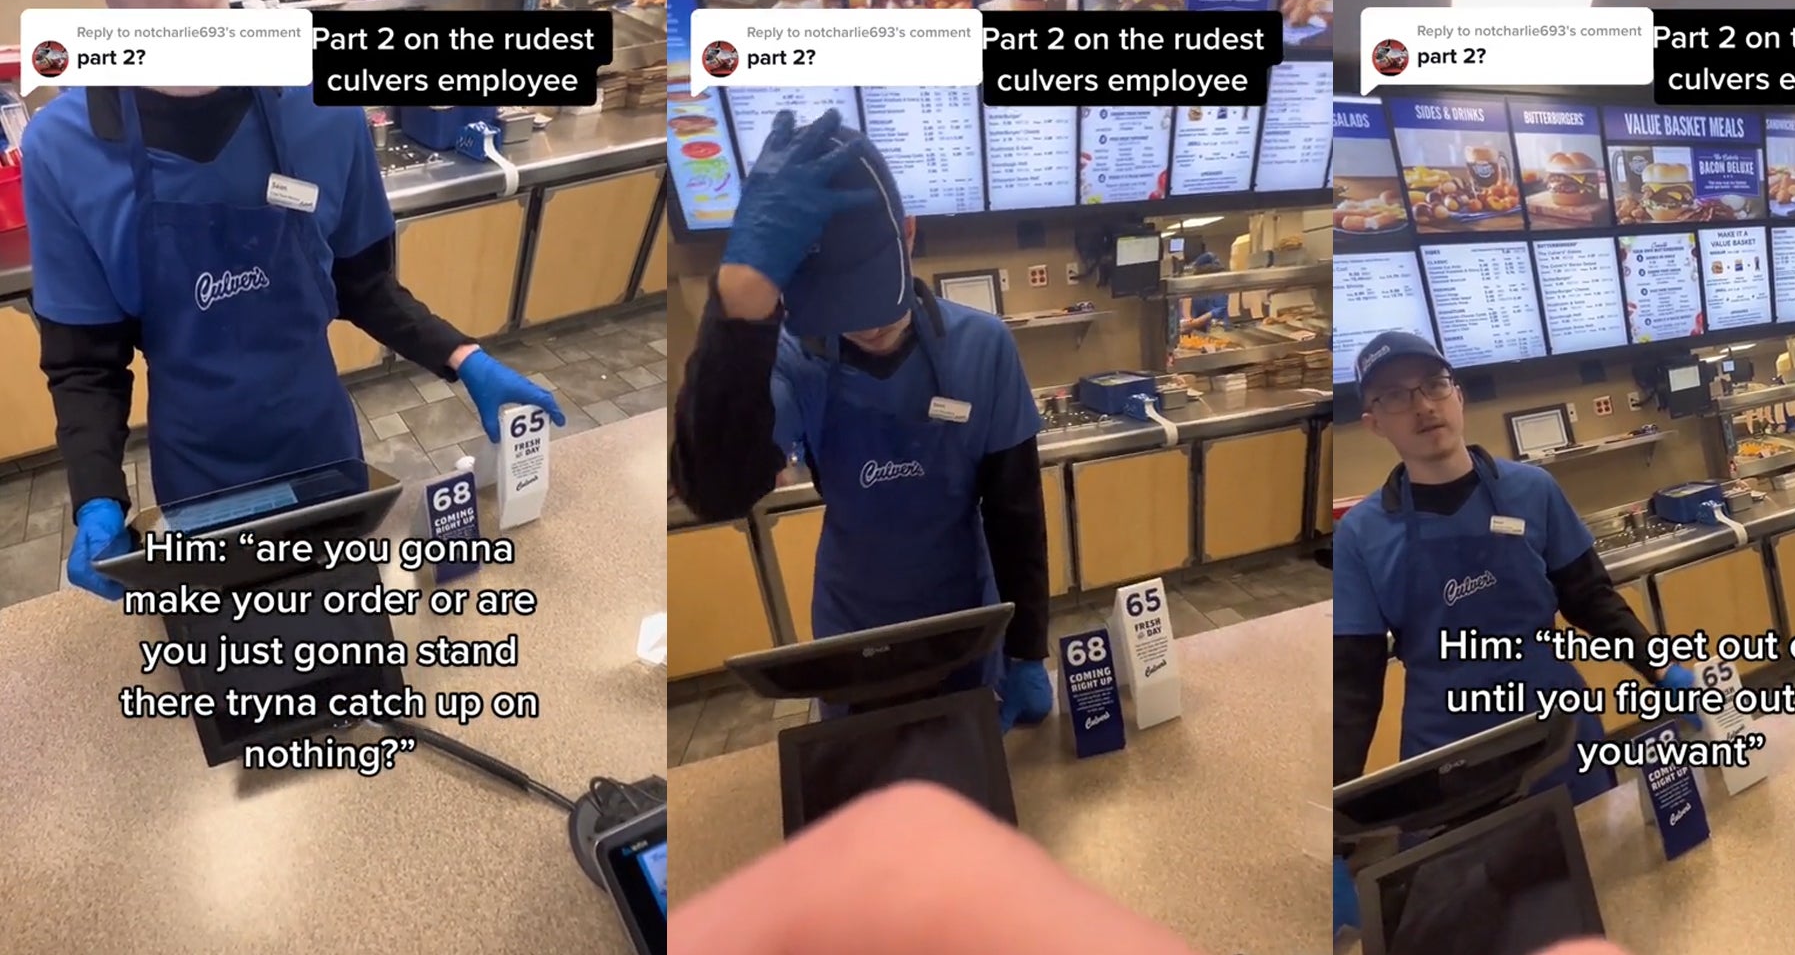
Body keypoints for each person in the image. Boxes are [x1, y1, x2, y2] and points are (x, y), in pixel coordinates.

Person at [23, 0, 563, 600]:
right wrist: (98, 499)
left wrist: (467, 359)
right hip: (200, 477)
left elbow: (363, 283)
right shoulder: (63, 148)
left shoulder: (324, 106)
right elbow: (86, 362)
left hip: (323, 452)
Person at [670, 109, 1052, 730]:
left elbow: (1016, 515)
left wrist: (1026, 648)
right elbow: (717, 491)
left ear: (908, 234)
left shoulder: (983, 347)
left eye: (873, 297)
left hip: (964, 621)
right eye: (838, 308)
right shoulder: (794, 363)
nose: (866, 326)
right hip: (854, 628)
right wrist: (738, 307)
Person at [1329, 331, 1695, 927]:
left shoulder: (1533, 490)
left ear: (1459, 395)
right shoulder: (1362, 535)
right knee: (1463, 924)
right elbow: (1354, 685)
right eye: (1396, 396)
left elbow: (1591, 601)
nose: (1422, 406)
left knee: (1610, 903)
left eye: (1434, 386)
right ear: (1374, 423)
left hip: (1560, 740)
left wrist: (1665, 670)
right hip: (1445, 765)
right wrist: (1336, 829)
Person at [672, 779, 1640, 955]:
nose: (1420, 406)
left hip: (1526, 774)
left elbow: (1012, 506)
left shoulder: (971, 350)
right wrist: (1346, 815)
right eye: (1395, 393)